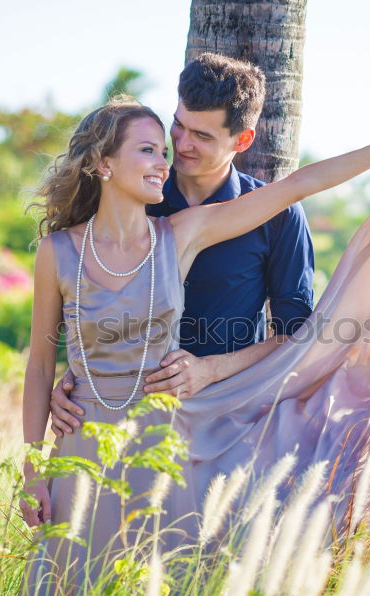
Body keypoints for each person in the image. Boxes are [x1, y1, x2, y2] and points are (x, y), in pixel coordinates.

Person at [18, 98, 370, 596]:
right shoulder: (58, 252)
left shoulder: (182, 234)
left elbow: (297, 186)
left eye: (163, 150)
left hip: (163, 444)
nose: (166, 160)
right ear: (103, 163)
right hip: (81, 444)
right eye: (148, 149)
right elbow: (40, 365)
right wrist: (32, 474)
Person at [47, 54, 315, 437]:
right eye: (179, 125)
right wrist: (74, 380)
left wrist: (211, 370)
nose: (182, 145)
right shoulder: (129, 191)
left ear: (243, 140)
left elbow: (298, 335)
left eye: (203, 136)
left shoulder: (279, 217)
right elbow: (87, 300)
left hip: (230, 425)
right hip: (124, 427)